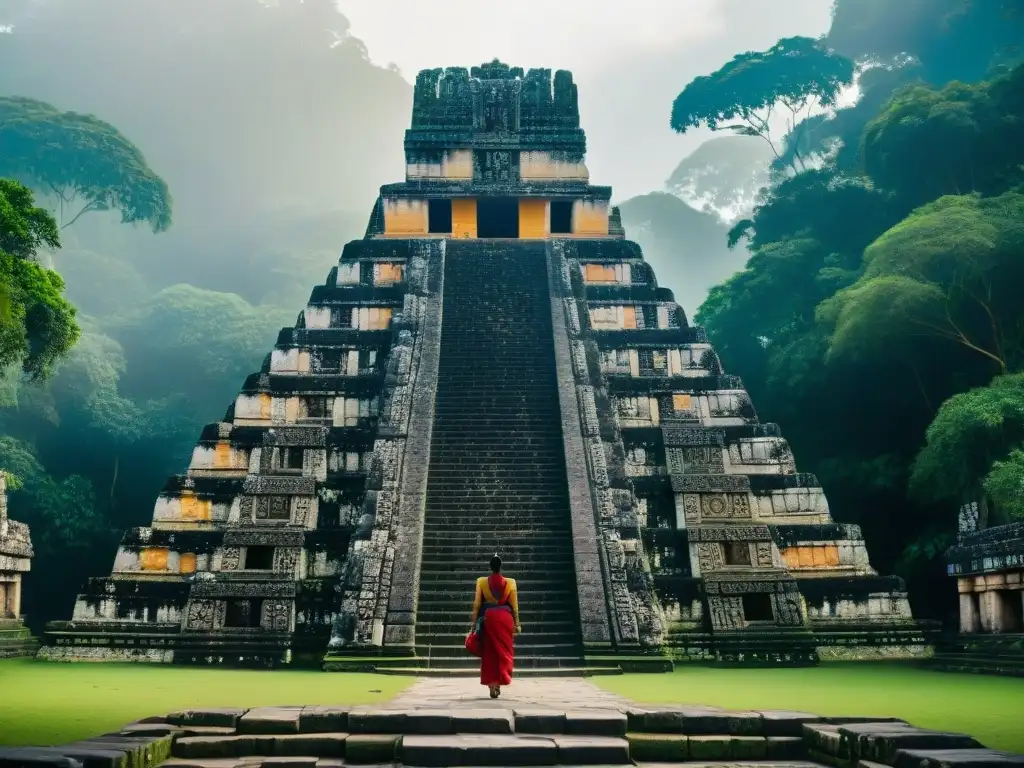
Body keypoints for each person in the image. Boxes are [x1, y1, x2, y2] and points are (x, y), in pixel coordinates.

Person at [470, 554, 521, 698]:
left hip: (488, 618)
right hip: (505, 619)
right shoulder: (511, 582)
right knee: (503, 653)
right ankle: (498, 682)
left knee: (489, 654)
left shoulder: (481, 582)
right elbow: (514, 606)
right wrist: (517, 623)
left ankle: (492, 685)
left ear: (490, 566)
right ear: (501, 566)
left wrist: (474, 623)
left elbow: (477, 604)